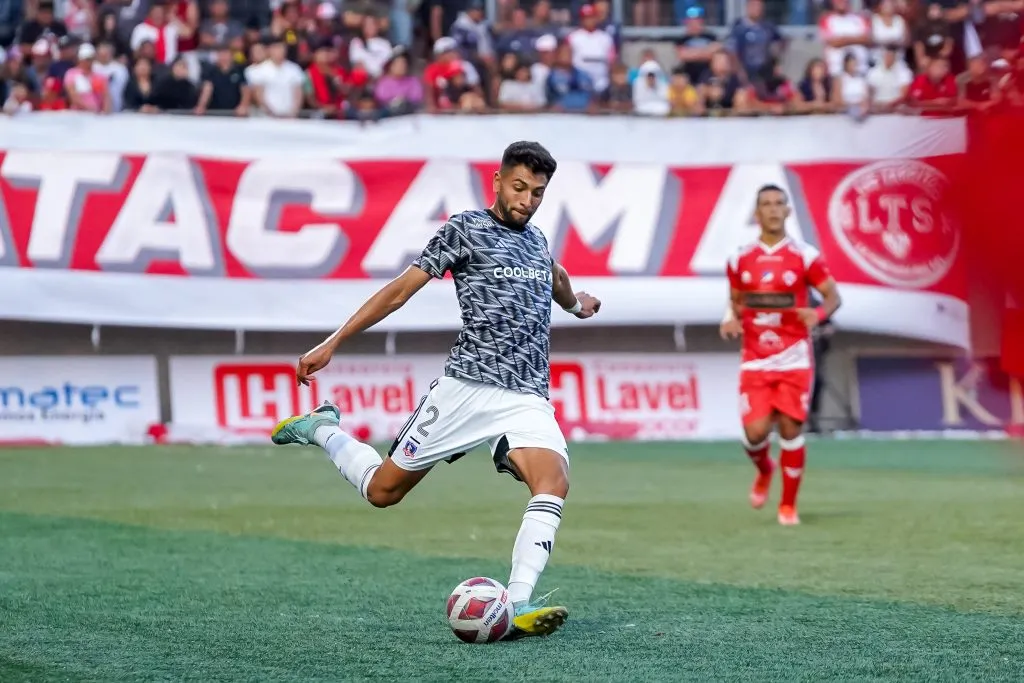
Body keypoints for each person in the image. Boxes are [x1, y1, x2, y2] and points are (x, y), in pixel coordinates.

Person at [270, 141, 601, 639]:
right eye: (519, 188)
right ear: (497, 180)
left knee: (553, 482)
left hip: (528, 396)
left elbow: (554, 276)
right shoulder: (465, 229)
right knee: (383, 491)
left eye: (537, 192)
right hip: (464, 390)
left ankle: (519, 602)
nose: (528, 200)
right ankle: (322, 428)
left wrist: (576, 305)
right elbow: (401, 289)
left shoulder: (536, 239)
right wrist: (334, 341)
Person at [719, 185, 842, 526]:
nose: (773, 210)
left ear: (788, 211)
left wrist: (816, 316)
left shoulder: (805, 256)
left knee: (790, 429)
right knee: (755, 434)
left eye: (779, 204)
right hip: (756, 358)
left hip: (794, 357)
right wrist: (730, 319)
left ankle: (788, 506)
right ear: (756, 214)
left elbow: (833, 297)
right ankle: (764, 470)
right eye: (766, 205)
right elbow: (737, 300)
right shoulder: (739, 258)